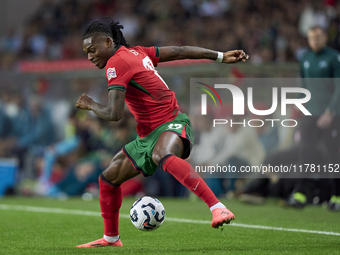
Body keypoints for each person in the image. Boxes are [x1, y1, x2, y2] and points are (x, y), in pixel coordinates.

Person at [75, 20, 249, 248]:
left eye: (92, 50)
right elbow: (180, 51)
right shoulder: (138, 52)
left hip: (172, 123)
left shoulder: (115, 64)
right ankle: (111, 239)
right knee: (108, 179)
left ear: (108, 42)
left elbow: (114, 113)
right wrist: (219, 56)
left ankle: (218, 207)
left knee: (162, 155)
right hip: (146, 136)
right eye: (86, 52)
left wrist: (90, 104)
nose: (89, 57)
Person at [289, 25, 340, 210]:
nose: (315, 41)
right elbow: (302, 86)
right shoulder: (306, 59)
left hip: (330, 115)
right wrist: (299, 107)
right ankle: (301, 194)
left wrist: (331, 111)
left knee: (334, 156)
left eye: (318, 37)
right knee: (305, 153)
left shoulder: (334, 58)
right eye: (311, 38)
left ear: (325, 37)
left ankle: (337, 196)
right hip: (310, 114)